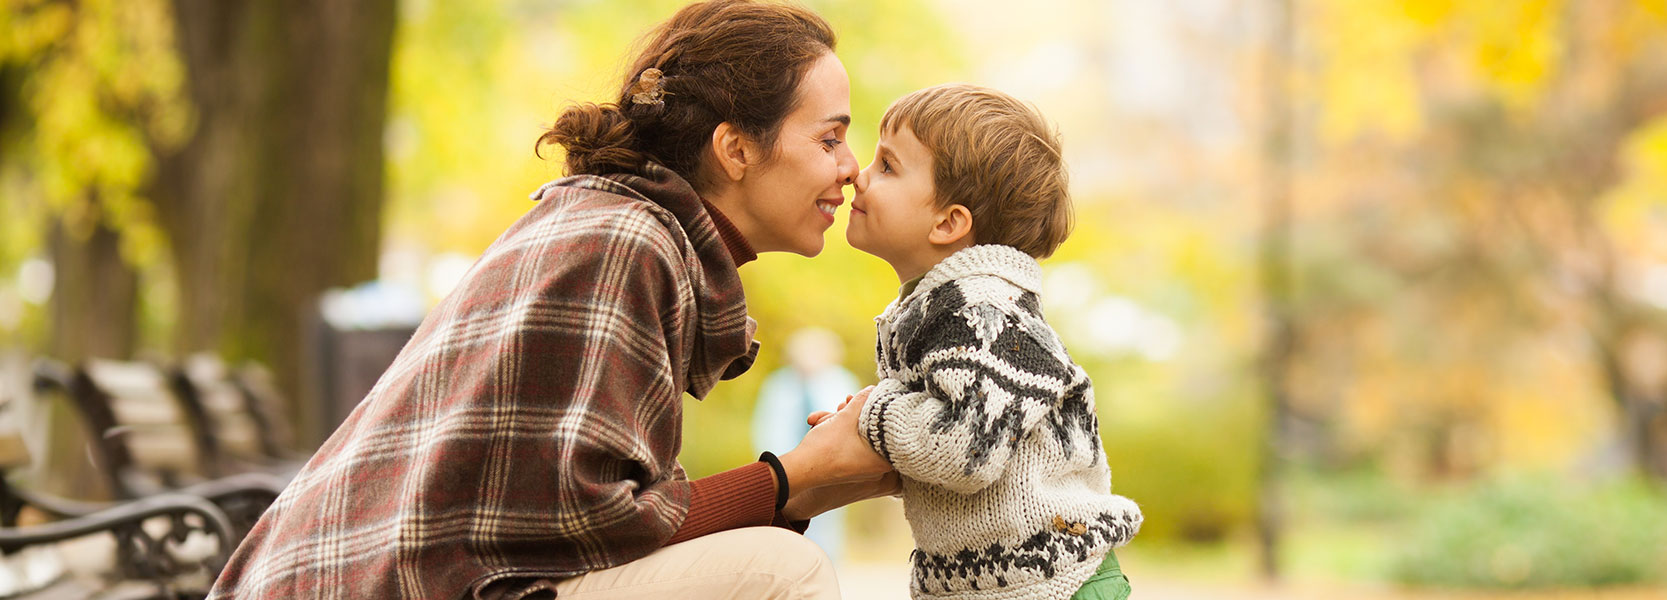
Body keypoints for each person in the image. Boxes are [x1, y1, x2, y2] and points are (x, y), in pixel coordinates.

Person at [208, 2, 894, 598]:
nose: (850, 168)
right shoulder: (628, 241)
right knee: (782, 571)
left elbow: (582, 526)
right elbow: (596, 526)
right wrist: (792, 478)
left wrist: (807, 483)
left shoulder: (613, 225)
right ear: (736, 148)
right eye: (830, 137)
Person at [827, 84, 1143, 599]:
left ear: (949, 223)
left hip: (1057, 583)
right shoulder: (940, 306)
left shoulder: (984, 314)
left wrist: (873, 413)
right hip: (1000, 582)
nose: (856, 177)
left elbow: (966, 450)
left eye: (886, 166)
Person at [752, 327, 861, 559]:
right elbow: (767, 426)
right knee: (787, 524)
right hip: (788, 466)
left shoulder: (841, 381)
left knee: (826, 525)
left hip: (833, 465)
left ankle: (825, 569)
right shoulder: (779, 386)